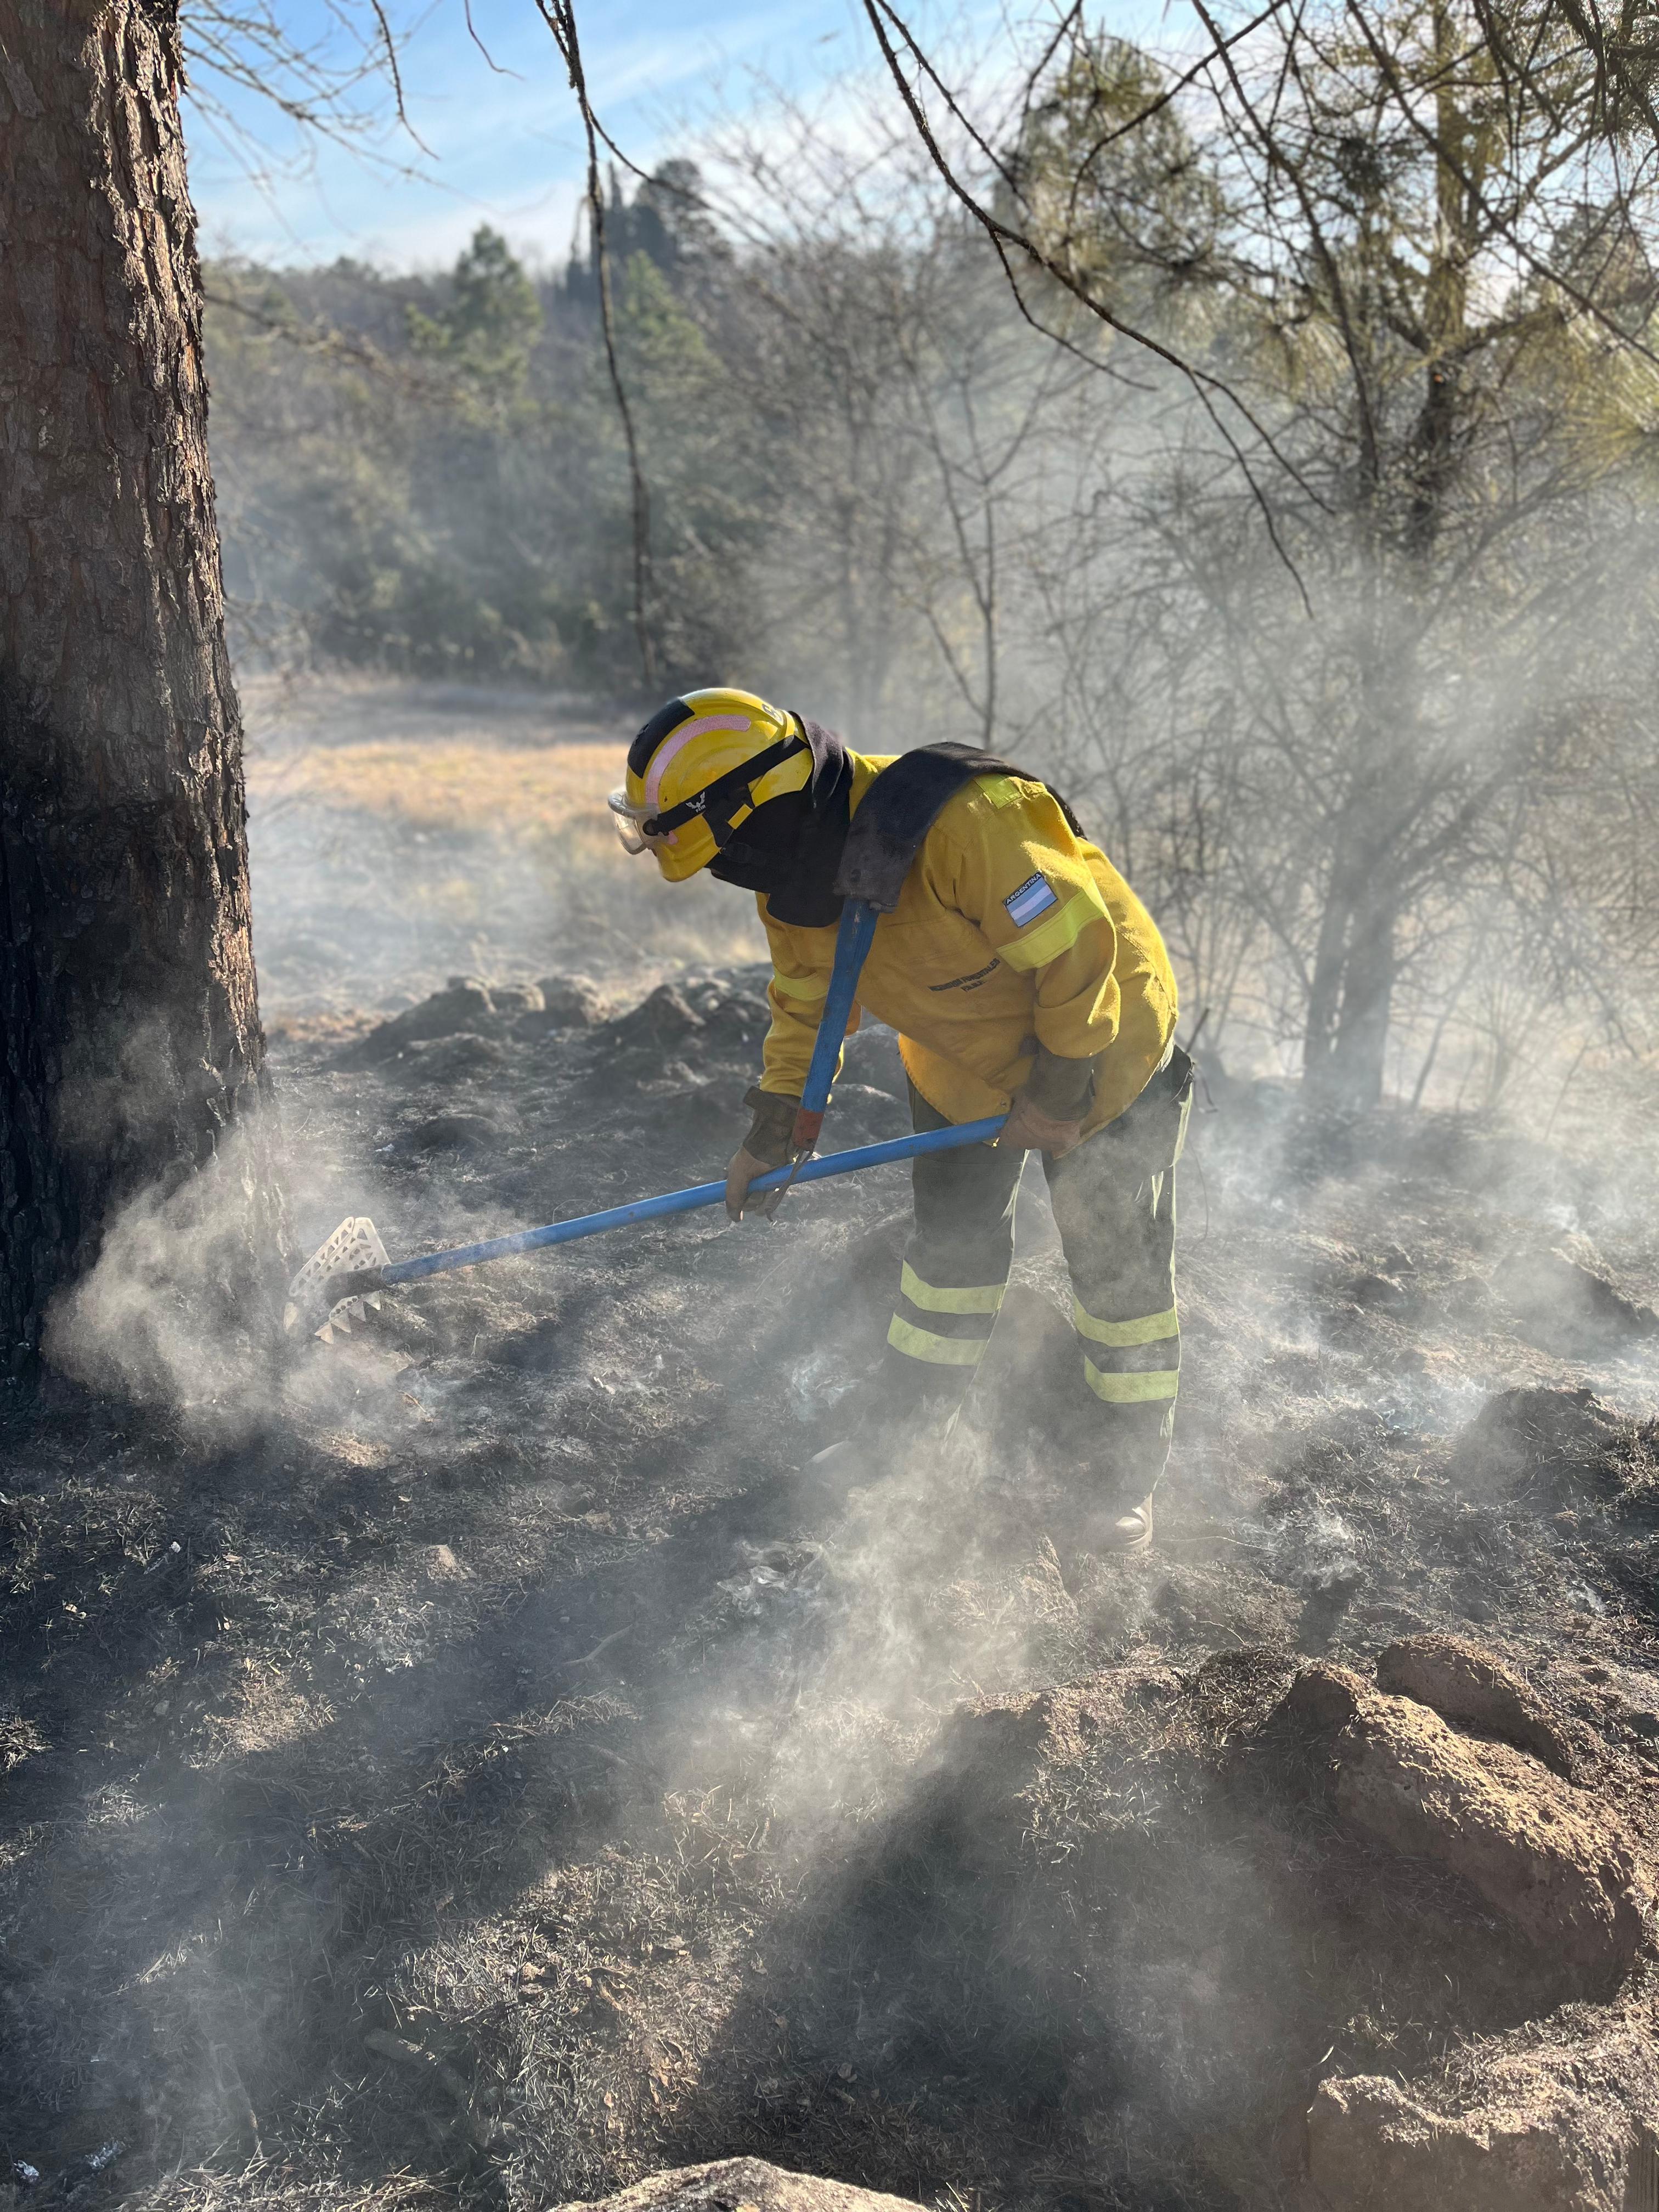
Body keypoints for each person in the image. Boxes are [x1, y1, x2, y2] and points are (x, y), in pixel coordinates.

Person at [609, 687, 1191, 1555]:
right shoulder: (795, 878)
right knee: (946, 1259)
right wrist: (775, 1128)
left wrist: (1062, 1090)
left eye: (720, 853)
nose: (727, 873)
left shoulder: (970, 824)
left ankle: (1120, 1478)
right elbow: (808, 1002)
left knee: (1117, 1272)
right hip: (963, 1063)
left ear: (756, 817)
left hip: (1102, 1043)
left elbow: (1078, 958)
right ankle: (906, 1443)